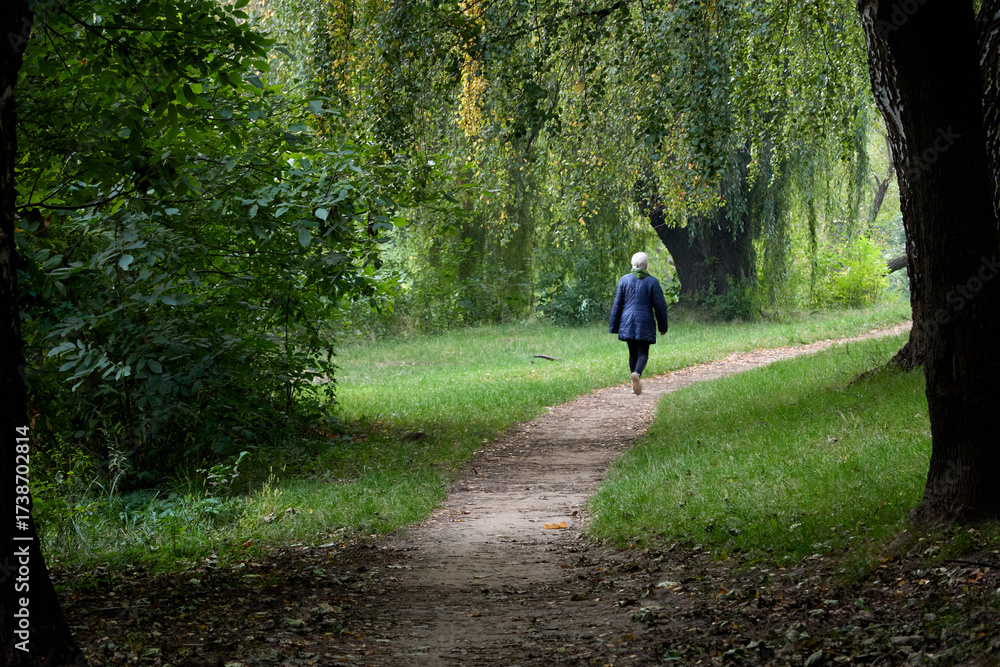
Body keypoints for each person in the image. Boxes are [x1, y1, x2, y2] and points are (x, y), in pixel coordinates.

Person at [608, 251, 669, 395]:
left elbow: (617, 305)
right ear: (646, 266)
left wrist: (614, 326)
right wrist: (663, 326)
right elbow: (660, 306)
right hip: (645, 322)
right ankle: (637, 374)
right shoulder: (652, 282)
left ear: (632, 264)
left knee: (632, 352)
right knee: (643, 353)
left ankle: (634, 383)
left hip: (627, 321)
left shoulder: (624, 280)